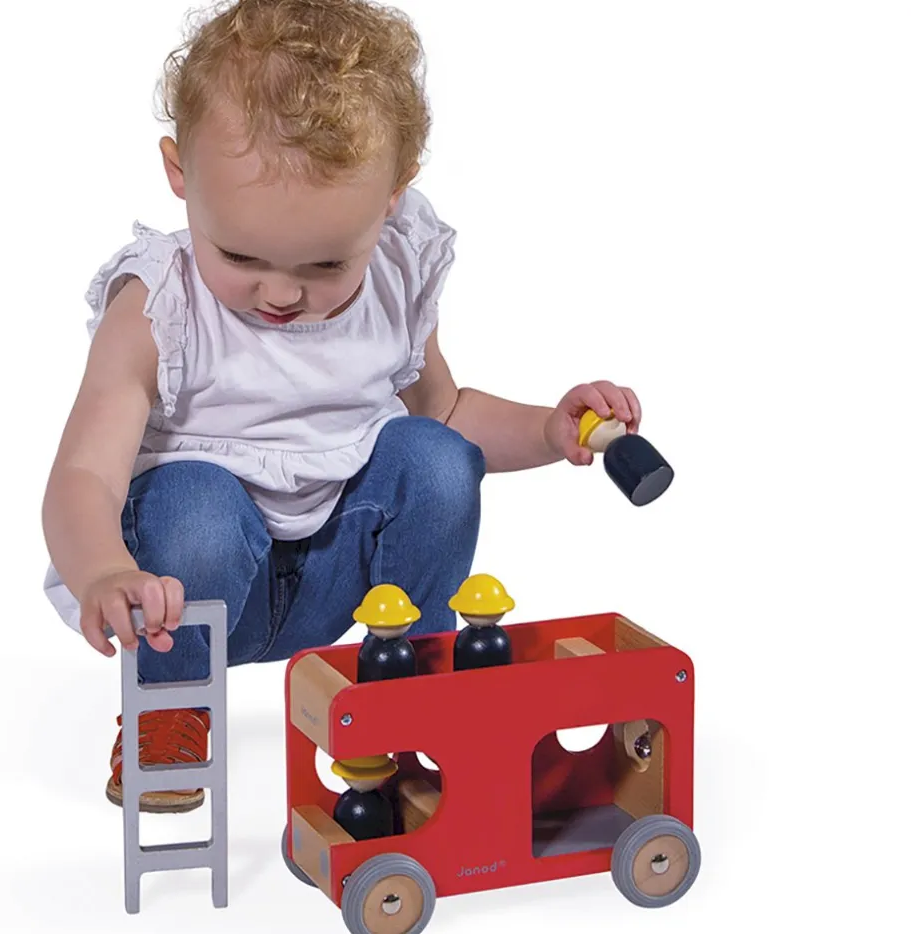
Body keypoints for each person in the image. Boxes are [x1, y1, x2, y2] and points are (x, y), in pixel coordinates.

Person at [41, 0, 643, 814]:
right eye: (241, 255)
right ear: (180, 174)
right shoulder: (159, 309)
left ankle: (415, 682)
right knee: (195, 500)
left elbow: (447, 412)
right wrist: (104, 570)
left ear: (392, 197)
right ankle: (171, 706)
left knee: (433, 458)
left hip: (345, 581)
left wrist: (546, 428)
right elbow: (84, 474)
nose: (281, 294)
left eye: (325, 265)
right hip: (192, 600)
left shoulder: (392, 282)